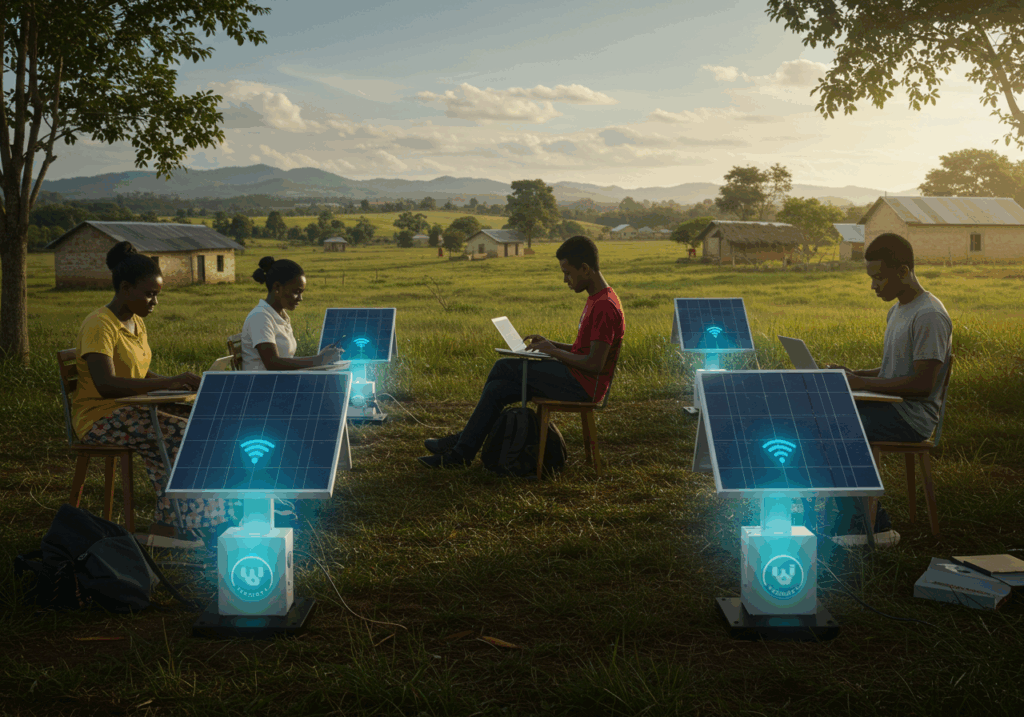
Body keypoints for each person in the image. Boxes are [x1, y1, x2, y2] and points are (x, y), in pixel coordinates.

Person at [71, 241, 236, 545]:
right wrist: (170, 382)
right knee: (181, 433)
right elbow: (105, 385)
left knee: (206, 423)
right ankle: (177, 527)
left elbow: (139, 373)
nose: (154, 303)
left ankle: (205, 518)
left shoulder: (135, 323)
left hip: (130, 410)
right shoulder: (99, 325)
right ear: (124, 288)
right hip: (101, 419)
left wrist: (177, 384)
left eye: (156, 295)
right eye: (149, 294)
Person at [419, 235, 625, 468]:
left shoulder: (605, 306)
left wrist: (553, 352)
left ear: (585, 269)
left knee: (504, 366)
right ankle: (463, 447)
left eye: (567, 272)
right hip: (576, 378)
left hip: (584, 386)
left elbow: (595, 364)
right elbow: (584, 350)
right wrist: (552, 345)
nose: (565, 280)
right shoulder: (596, 299)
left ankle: (461, 449)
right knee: (499, 388)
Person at [820, 232, 952, 547]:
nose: (873, 286)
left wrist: (862, 384)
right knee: (825, 417)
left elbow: (922, 385)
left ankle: (874, 526)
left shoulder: (929, 315)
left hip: (912, 415)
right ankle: (845, 516)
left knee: (840, 428)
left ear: (904, 271)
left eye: (879, 278)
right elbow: (894, 369)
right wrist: (852, 374)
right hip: (893, 404)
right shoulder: (898, 310)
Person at [240, 257, 342, 370]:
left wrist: (319, 358)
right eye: (296, 292)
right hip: (263, 385)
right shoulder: (260, 317)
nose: (300, 298)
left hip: (279, 381)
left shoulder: (280, 316)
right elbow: (273, 363)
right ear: (277, 287)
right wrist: (319, 360)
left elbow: (286, 359)